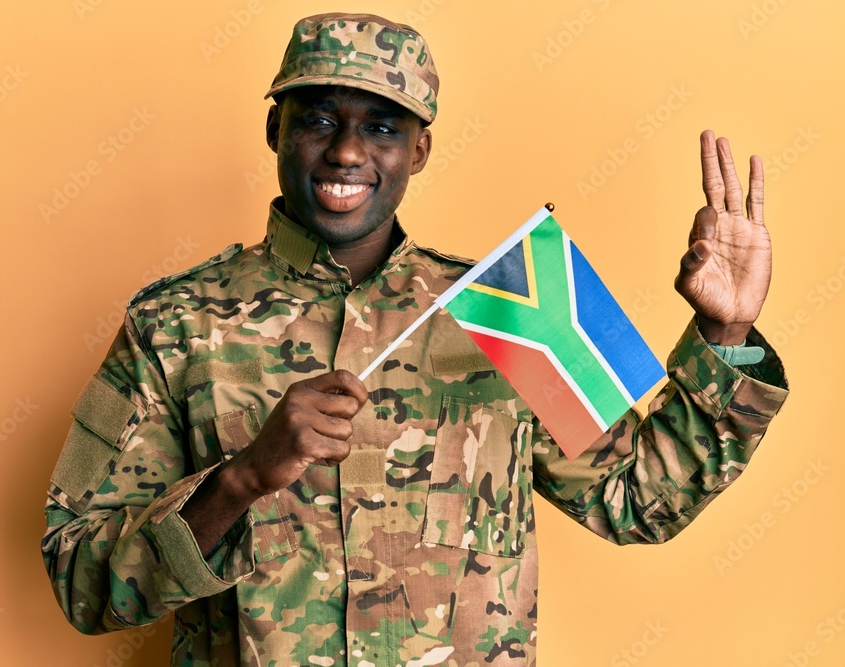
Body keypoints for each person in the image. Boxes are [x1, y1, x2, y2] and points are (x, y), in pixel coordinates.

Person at [41, 12, 789, 666]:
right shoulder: (174, 324)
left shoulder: (512, 306)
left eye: (382, 127)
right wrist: (240, 478)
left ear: (419, 151)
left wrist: (726, 330)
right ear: (276, 129)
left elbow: (640, 499)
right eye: (319, 118)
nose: (345, 152)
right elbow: (82, 582)